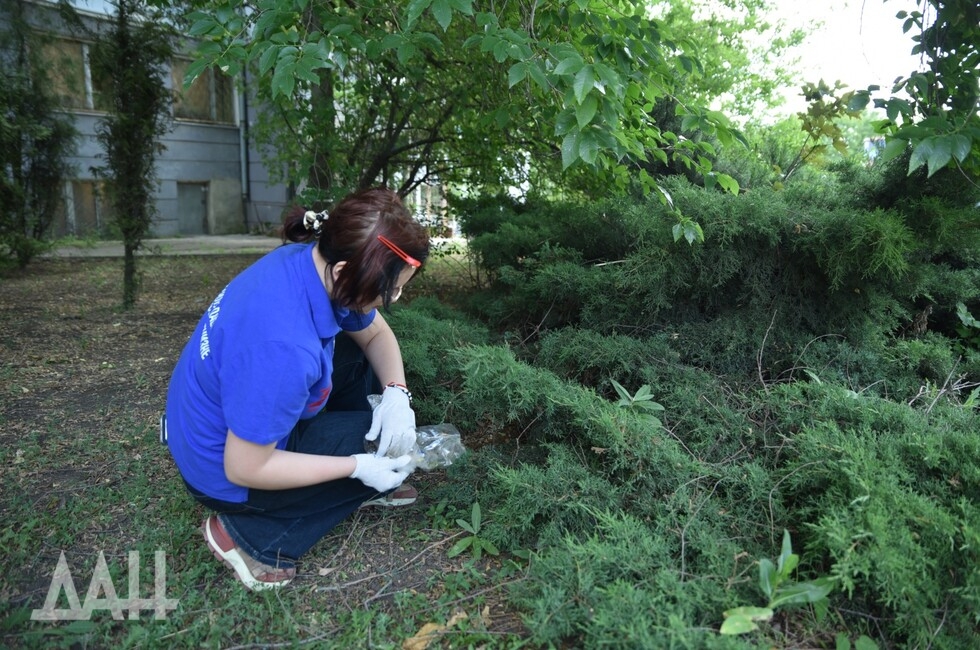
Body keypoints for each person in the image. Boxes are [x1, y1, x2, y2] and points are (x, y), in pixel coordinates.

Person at [163, 187, 429, 591]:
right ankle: (245, 536)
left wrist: (396, 393)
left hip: (218, 425)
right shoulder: (283, 349)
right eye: (390, 288)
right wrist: (358, 466)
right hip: (224, 472)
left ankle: (358, 477)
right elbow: (245, 467)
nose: (395, 296)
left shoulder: (307, 263)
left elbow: (376, 335)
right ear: (343, 273)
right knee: (381, 449)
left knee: (357, 358)